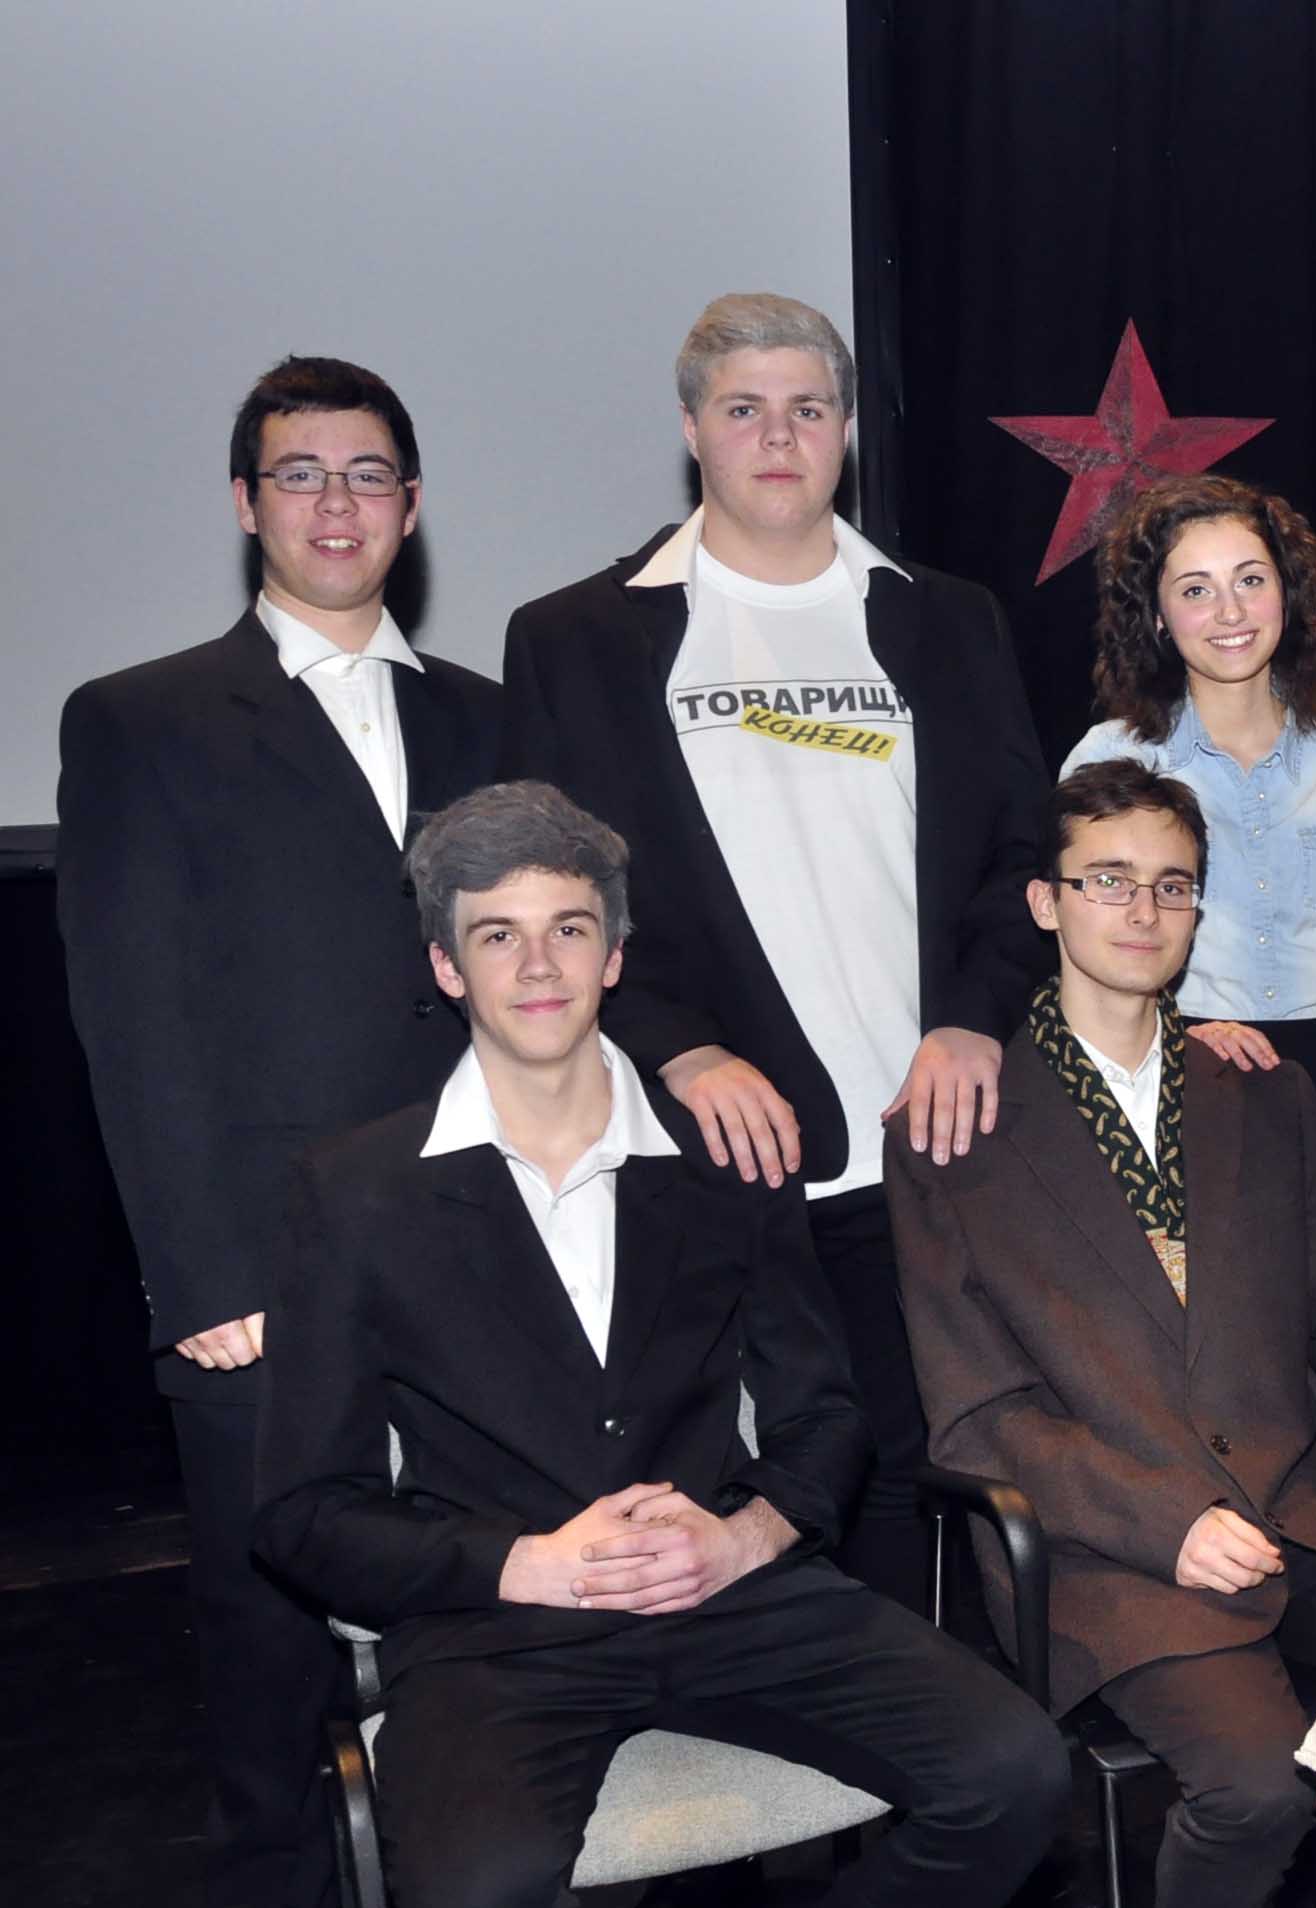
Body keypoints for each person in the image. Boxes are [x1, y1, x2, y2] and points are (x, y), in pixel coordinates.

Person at [251, 782, 1067, 1907]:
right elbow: (302, 1512)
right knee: (480, 1889)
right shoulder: (354, 1193)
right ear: (447, 967)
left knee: (1017, 1775)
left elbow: (826, 1420)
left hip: (733, 1597)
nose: (540, 965)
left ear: (615, 955)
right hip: (496, 1632)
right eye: (498, 936)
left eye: (569, 929)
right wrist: (525, 1563)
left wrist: (744, 1539)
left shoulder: (725, 1159)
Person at [498, 292, 1051, 1610]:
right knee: (743, 1506)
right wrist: (680, 1048)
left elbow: (1022, 857)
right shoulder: (578, 639)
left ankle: (937, 1732)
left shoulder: (945, 617)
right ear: (693, 430)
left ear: (847, 430)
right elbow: (550, 898)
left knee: (928, 1489)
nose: (779, 437)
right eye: (744, 409)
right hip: (717, 1153)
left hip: (927, 1144)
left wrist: (973, 1017)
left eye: (809, 408)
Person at [56, 354, 499, 1906]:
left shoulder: (486, 718)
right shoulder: (141, 720)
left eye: (368, 475)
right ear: (247, 504)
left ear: (412, 507)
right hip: (264, 1283)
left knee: (484, 1647)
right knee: (274, 1670)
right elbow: (135, 1021)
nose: (337, 504)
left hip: (479, 1260)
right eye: (301, 474)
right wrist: (204, 1279)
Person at [893, 761, 1316, 1908]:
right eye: (1108, 880)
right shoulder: (954, 1130)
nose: (1143, 910)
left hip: (1313, 1507)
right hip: (1113, 1549)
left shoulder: (1261, 1091)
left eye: (1172, 885)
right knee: (1260, 1790)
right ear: (1046, 902)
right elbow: (979, 1418)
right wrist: (1166, 1520)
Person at [1064, 473, 1316, 1282]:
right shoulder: (1111, 761)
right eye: (1197, 590)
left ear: (1288, 595)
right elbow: (1070, 971)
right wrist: (1175, 1037)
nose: (1230, 612)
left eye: (1251, 580)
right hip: (1173, 1089)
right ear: (1158, 616)